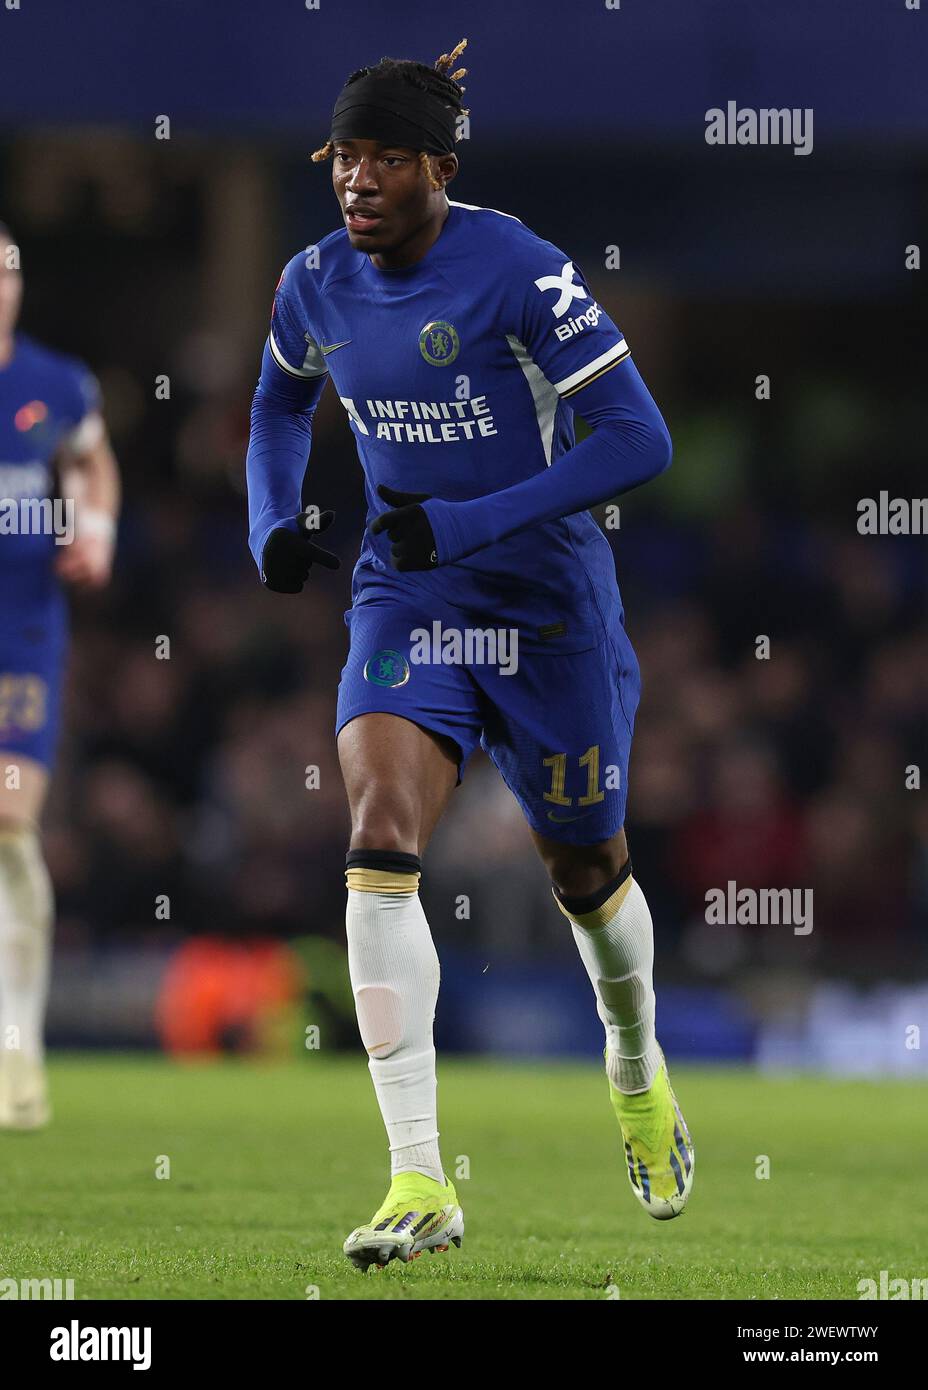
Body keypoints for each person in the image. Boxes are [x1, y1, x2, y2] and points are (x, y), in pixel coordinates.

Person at [245, 39, 694, 1271]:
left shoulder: (520, 271)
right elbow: (280, 403)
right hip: (406, 596)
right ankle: (416, 1175)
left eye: (388, 157)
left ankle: (633, 1058)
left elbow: (635, 436)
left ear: (439, 168)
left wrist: (472, 519)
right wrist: (269, 521)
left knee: (588, 874)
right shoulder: (314, 282)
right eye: (346, 155)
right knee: (377, 837)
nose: (358, 179)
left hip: (547, 607)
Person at [0, 221, 120, 1128]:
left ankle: (18, 1049)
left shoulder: (54, 384)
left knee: (10, 819)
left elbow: (90, 458)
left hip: (23, 628)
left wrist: (96, 529)